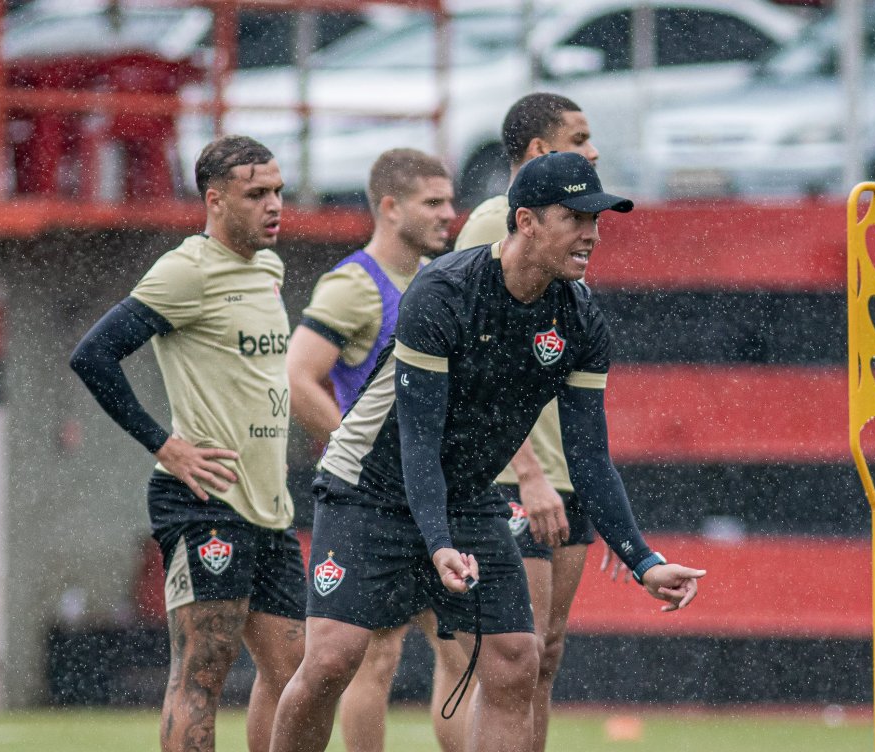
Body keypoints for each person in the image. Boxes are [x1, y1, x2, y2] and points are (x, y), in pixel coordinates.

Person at [270, 151, 705, 752]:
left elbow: (588, 456)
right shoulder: (444, 290)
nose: (592, 234)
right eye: (575, 218)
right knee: (332, 661)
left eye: (597, 219)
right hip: (367, 487)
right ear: (525, 221)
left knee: (516, 659)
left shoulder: (579, 318)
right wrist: (439, 541)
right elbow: (419, 438)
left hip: (468, 497)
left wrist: (643, 559)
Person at [69, 135, 305, 752]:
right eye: (257, 194)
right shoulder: (187, 270)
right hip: (205, 500)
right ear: (216, 200)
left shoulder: (269, 268)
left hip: (269, 505)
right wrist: (162, 443)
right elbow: (93, 355)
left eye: (278, 190)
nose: (274, 204)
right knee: (203, 674)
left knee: (298, 673)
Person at [285, 148, 466, 752]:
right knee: (373, 655)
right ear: (390, 208)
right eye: (433, 202)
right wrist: (353, 449)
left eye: (450, 200)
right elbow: (298, 377)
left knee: (462, 644)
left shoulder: (436, 281)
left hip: (435, 492)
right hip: (376, 503)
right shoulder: (355, 285)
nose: (449, 214)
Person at [452, 91, 601, 751]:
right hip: (516, 478)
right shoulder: (493, 224)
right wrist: (528, 471)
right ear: (540, 151)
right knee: (514, 659)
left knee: (546, 656)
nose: (594, 150)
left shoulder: (572, 232)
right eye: (580, 136)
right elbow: (467, 368)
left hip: (564, 475)